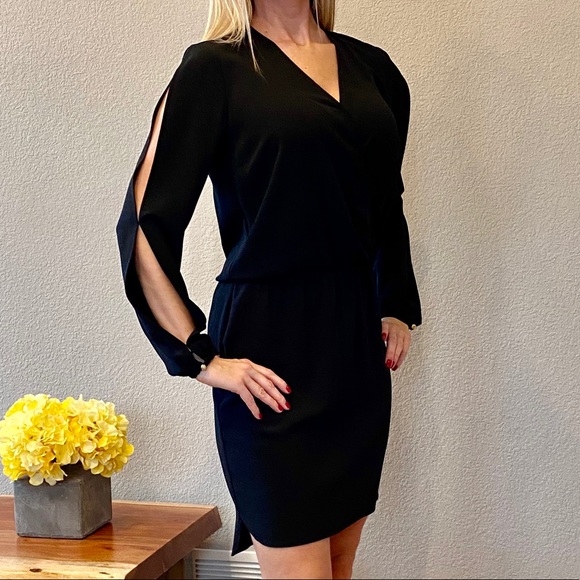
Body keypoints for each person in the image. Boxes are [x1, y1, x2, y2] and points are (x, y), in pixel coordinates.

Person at [116, 0, 422, 577]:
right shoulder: (214, 69)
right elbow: (144, 225)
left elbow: (384, 202)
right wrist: (199, 355)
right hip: (268, 352)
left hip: (353, 350)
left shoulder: (375, 70)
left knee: (339, 563)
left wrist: (395, 304)